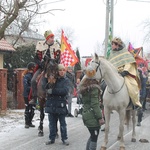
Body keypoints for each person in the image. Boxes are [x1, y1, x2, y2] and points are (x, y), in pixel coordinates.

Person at [108, 37, 142, 109]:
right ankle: (103, 102)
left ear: (117, 45)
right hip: (114, 74)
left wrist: (125, 71)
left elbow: (129, 63)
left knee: (132, 86)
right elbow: (110, 65)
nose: (111, 46)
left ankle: (134, 103)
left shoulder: (125, 53)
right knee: (103, 84)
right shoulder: (111, 54)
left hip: (124, 74)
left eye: (113, 44)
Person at [30, 30, 61, 104]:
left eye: (53, 37)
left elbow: (59, 58)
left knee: (62, 78)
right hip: (43, 67)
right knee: (33, 80)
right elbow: (36, 58)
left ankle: (62, 97)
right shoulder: (40, 45)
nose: (52, 39)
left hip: (54, 67)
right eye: (51, 37)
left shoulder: (56, 45)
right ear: (47, 38)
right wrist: (41, 64)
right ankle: (34, 98)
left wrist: (54, 63)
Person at [79, 65, 105, 150]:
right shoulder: (94, 88)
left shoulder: (84, 86)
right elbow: (95, 104)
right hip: (92, 116)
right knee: (94, 137)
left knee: (92, 135)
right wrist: (100, 117)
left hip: (87, 113)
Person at [45, 64, 70, 145]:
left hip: (60, 105)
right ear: (57, 71)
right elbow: (46, 88)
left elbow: (65, 91)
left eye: (63, 70)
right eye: (60, 70)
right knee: (52, 124)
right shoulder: (52, 79)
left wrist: (53, 91)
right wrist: (48, 85)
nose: (62, 72)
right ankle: (51, 138)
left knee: (62, 123)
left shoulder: (66, 80)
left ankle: (64, 138)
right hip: (51, 104)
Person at [22, 62, 36, 128]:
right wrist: (32, 88)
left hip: (33, 94)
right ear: (32, 68)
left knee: (32, 109)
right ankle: (26, 122)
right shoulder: (27, 76)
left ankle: (30, 121)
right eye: (34, 67)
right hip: (27, 95)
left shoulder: (34, 75)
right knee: (28, 108)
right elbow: (25, 86)